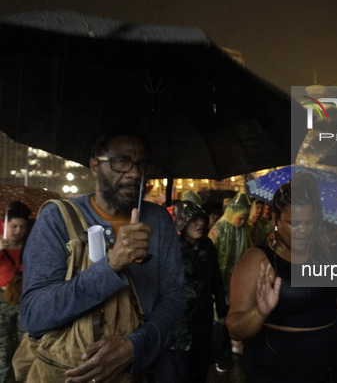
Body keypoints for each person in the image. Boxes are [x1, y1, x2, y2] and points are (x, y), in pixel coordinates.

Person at [19, 132, 185, 382]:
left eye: (141, 164)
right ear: (95, 166)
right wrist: (111, 265)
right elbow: (35, 316)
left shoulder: (159, 221)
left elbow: (175, 297)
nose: (134, 173)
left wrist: (133, 347)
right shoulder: (56, 219)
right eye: (121, 161)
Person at [226, 172, 337, 383]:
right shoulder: (258, 260)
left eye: (309, 223)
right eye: (294, 223)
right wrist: (259, 312)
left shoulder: (320, 251)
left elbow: (334, 297)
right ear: (275, 219)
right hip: (282, 368)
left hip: (329, 362)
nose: (303, 231)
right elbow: (235, 328)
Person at [171, 200, 227, 383]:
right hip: (179, 324)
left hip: (203, 318)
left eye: (201, 219)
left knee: (201, 366)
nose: (200, 224)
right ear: (182, 222)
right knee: (181, 370)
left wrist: (221, 308)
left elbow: (215, 280)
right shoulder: (171, 249)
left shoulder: (207, 246)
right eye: (194, 219)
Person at [208, 192, 252, 370]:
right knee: (219, 320)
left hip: (237, 284)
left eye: (245, 219)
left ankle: (228, 350)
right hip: (219, 283)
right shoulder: (219, 229)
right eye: (240, 218)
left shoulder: (245, 230)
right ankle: (220, 356)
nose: (242, 222)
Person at [0, 201, 31, 383]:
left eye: (22, 227)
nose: (18, 231)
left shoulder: (31, 245)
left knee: (25, 346)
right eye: (13, 226)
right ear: (5, 225)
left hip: (24, 299)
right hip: (2, 301)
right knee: (2, 348)